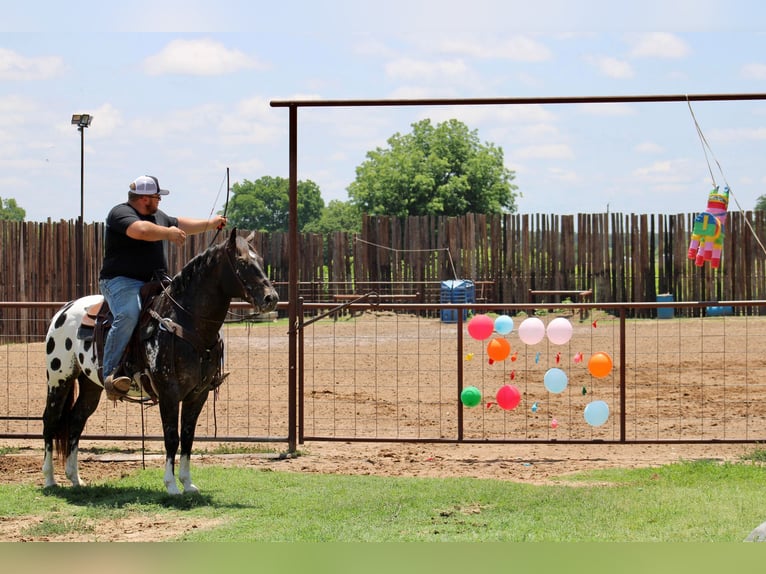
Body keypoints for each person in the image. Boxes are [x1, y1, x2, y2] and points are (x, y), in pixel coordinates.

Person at [99, 175, 227, 399]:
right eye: (157, 197)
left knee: (188, 312)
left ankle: (204, 370)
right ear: (145, 199)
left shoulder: (157, 216)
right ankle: (110, 373)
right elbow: (140, 231)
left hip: (156, 281)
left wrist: (210, 223)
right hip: (121, 281)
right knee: (129, 314)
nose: (160, 202)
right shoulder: (120, 214)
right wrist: (168, 233)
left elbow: (180, 223)